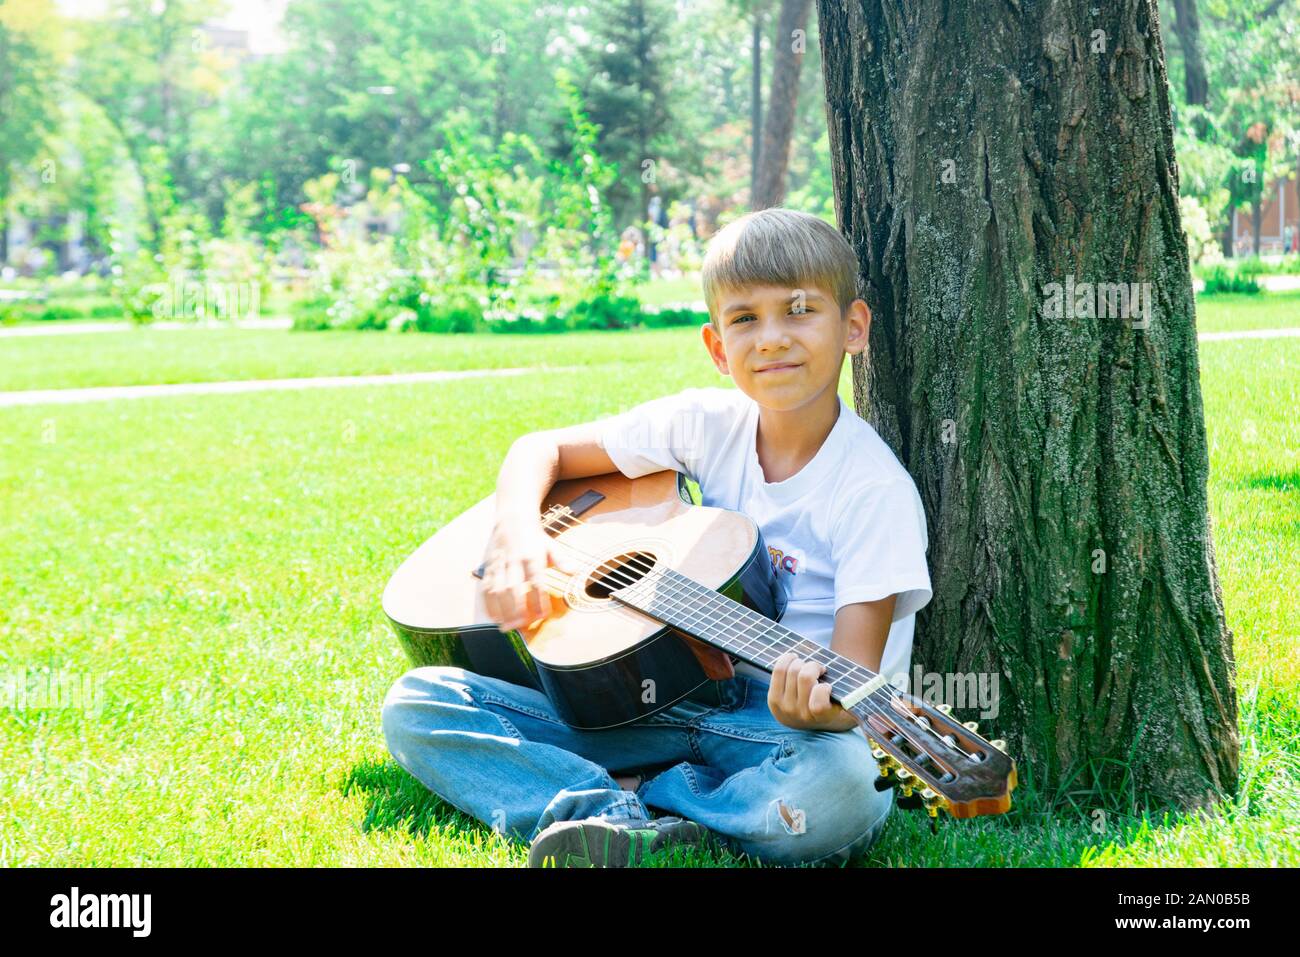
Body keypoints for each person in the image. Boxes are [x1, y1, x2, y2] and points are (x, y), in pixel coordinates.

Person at [381, 208, 933, 868]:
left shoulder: (875, 492)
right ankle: (640, 809)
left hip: (778, 734)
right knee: (417, 703)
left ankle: (639, 804)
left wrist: (818, 711)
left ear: (853, 327)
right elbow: (541, 450)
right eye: (745, 318)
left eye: (799, 311)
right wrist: (517, 534)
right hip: (649, 700)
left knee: (844, 794)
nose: (773, 338)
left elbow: (855, 686)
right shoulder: (706, 425)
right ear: (716, 348)